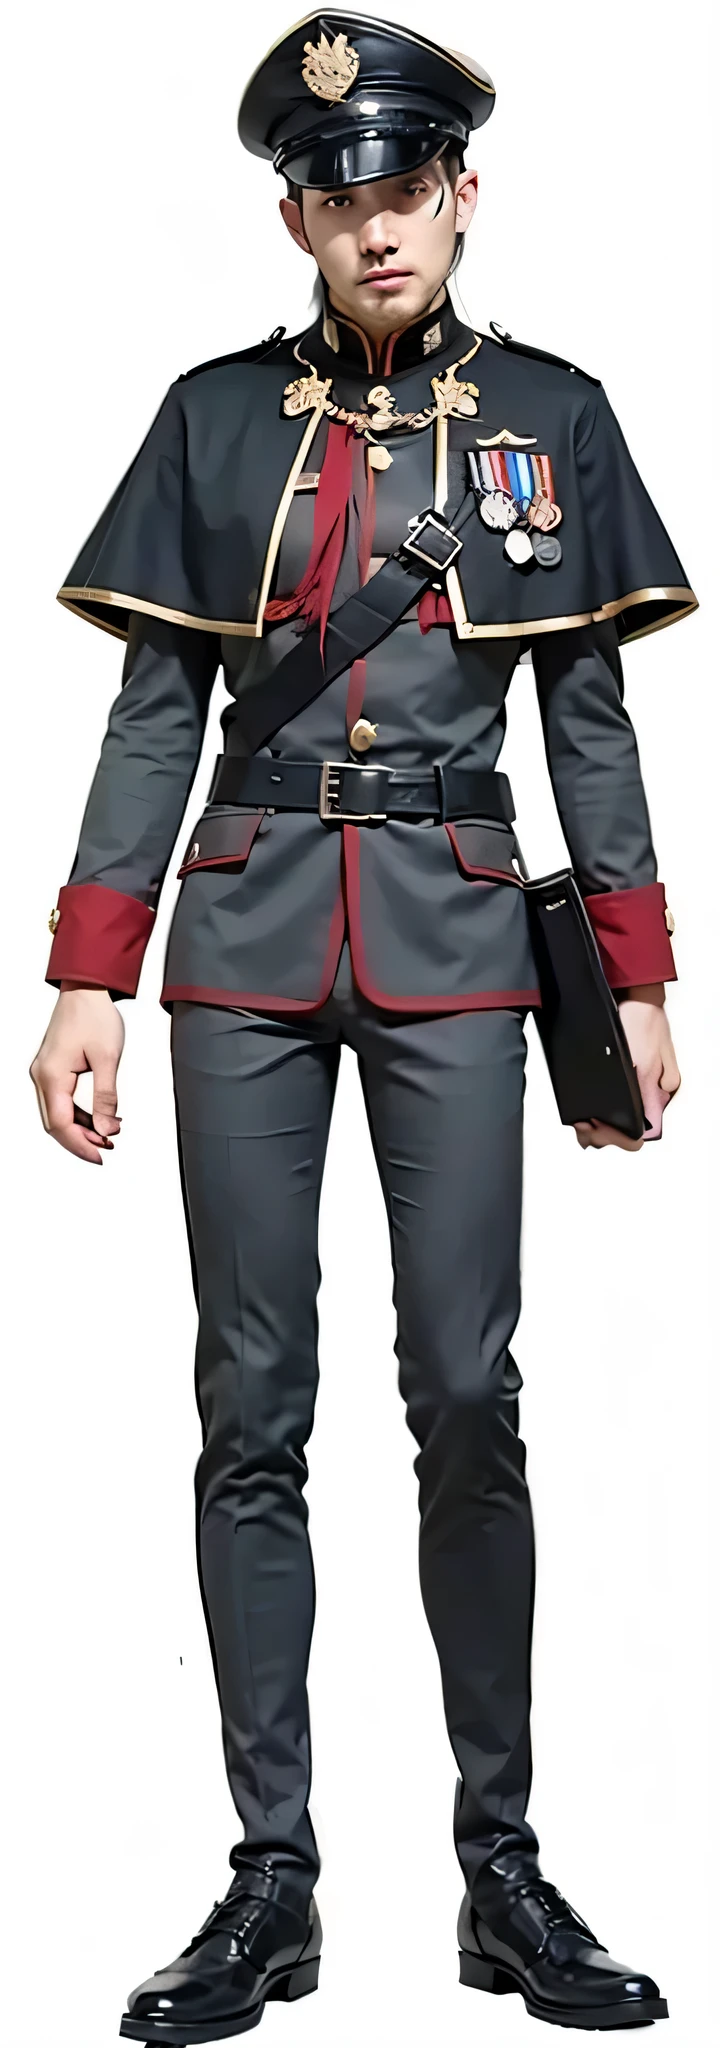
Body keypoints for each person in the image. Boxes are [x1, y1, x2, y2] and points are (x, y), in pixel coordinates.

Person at [29, 11, 695, 2040]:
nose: (376, 222)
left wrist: (640, 977)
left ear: (462, 195)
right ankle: (272, 1880)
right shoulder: (214, 416)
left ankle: (502, 1868)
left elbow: (589, 716)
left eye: (405, 186)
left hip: (461, 944)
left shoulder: (554, 414)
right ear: (296, 220)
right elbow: (156, 713)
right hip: (239, 945)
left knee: (469, 1392)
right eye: (340, 196)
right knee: (250, 1405)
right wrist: (88, 973)